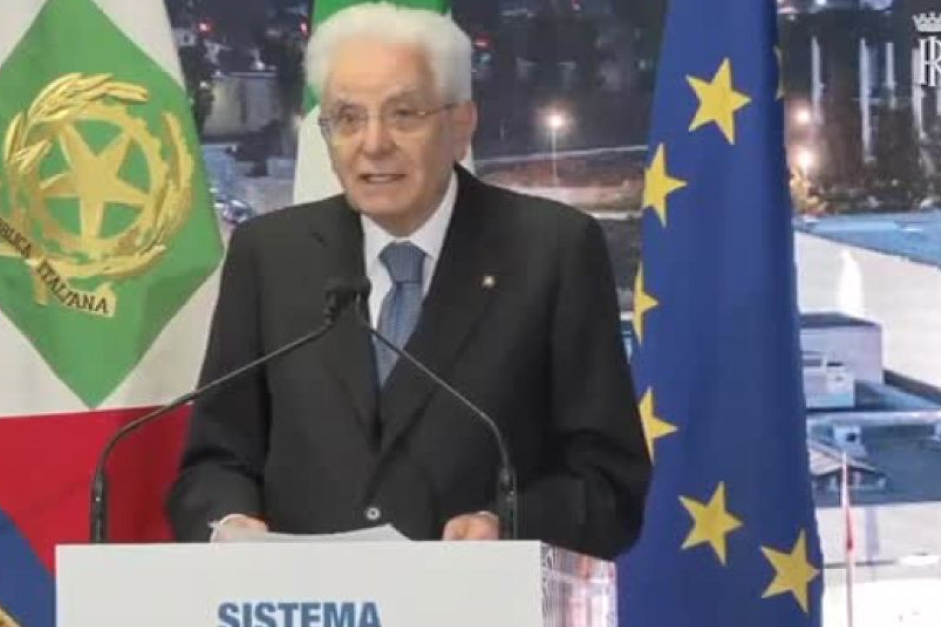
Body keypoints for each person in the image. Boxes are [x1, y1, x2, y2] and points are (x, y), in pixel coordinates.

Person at [166, 2, 649, 558]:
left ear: (461, 125)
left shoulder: (551, 251)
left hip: (476, 598)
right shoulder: (271, 254)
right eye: (348, 118)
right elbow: (215, 462)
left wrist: (506, 524)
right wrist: (229, 522)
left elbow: (609, 484)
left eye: (403, 115)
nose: (373, 144)